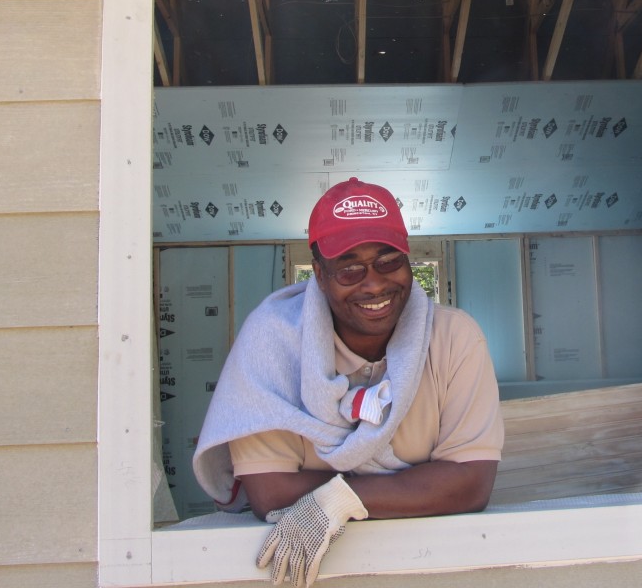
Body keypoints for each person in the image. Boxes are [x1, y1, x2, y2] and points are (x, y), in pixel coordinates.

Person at [193, 177, 504, 587]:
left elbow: (470, 483)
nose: (374, 283)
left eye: (389, 260)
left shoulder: (454, 337)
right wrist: (419, 486)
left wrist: (341, 499)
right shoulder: (272, 343)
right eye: (350, 268)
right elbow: (269, 492)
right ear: (319, 275)